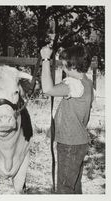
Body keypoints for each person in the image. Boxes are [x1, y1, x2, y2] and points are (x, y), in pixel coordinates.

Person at [40, 44, 94, 194]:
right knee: (74, 185)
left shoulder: (74, 84)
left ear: (73, 65)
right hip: (79, 143)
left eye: (63, 64)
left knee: (64, 188)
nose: (62, 67)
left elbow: (48, 89)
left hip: (69, 144)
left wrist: (45, 59)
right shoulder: (87, 82)